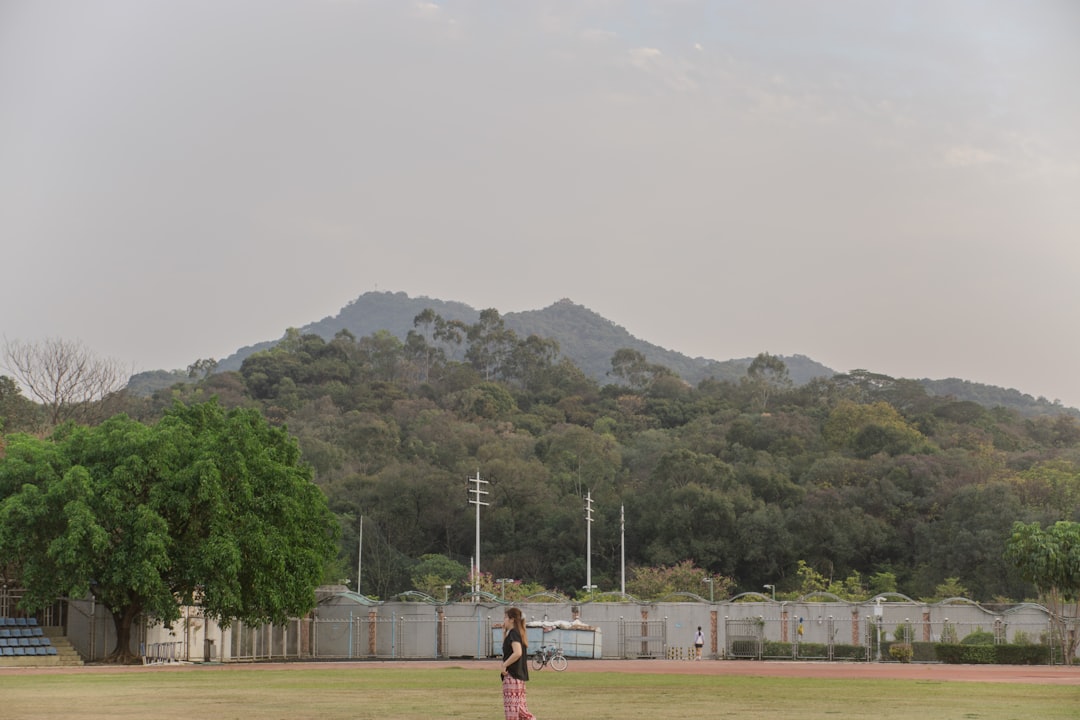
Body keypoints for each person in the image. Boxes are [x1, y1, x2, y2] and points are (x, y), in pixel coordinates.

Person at [500, 607, 536, 720]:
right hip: (517, 677)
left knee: (514, 711)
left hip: (513, 676)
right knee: (519, 709)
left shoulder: (514, 634)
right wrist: (504, 633)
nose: (504, 620)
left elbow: (517, 652)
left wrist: (504, 665)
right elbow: (507, 650)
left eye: (505, 618)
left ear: (512, 619)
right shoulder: (515, 633)